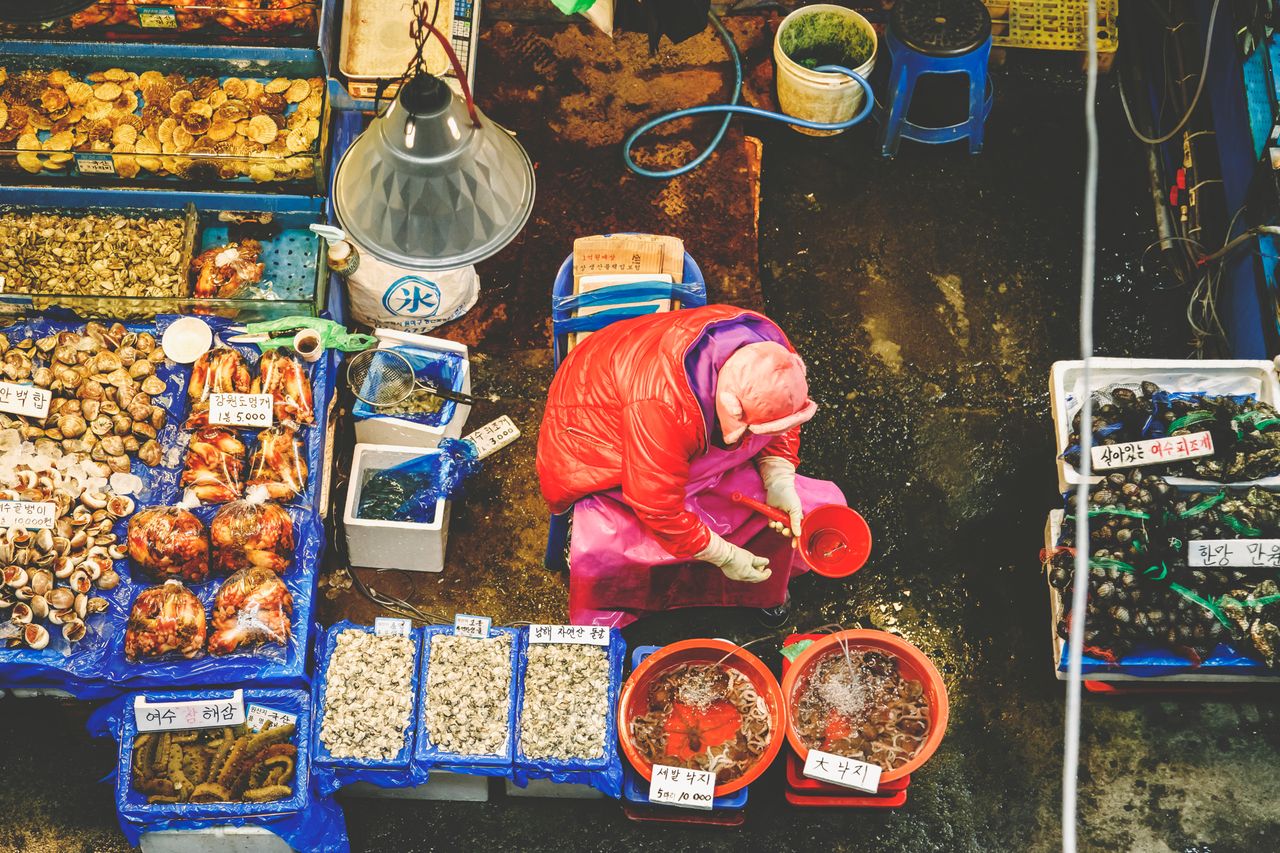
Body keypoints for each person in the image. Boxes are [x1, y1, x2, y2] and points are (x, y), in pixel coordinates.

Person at [537, 304, 846, 627]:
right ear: (732, 411)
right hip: (595, 426)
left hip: (654, 413)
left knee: (778, 515)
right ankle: (630, 605)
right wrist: (722, 554)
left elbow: (784, 420)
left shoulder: (773, 354)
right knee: (620, 542)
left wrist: (778, 476)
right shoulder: (662, 405)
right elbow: (656, 506)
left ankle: (754, 590)